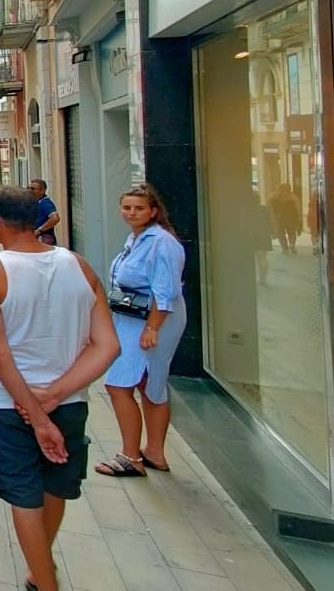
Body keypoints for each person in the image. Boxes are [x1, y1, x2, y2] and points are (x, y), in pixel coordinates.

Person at [0, 188, 119, 591]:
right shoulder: (80, 266)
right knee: (55, 484)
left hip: (9, 404)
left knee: (23, 494)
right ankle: (40, 569)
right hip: (69, 401)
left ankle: (45, 581)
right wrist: (55, 395)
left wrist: (36, 413)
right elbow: (107, 345)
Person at [95, 184, 189, 479]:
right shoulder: (137, 238)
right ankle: (154, 452)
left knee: (119, 384)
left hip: (151, 320)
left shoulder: (162, 242)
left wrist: (152, 328)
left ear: (153, 211)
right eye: (127, 207)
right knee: (148, 384)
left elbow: (166, 291)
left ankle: (130, 456)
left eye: (139, 208)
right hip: (134, 319)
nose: (132, 213)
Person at [30, 179, 60, 245]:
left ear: (42, 191)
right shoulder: (37, 202)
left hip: (43, 239)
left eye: (33, 189)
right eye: (28, 188)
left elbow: (55, 218)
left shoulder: (45, 203)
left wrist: (39, 230)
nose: (29, 190)